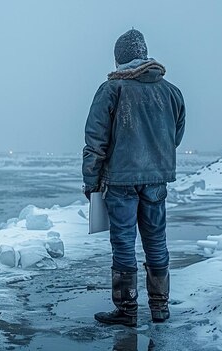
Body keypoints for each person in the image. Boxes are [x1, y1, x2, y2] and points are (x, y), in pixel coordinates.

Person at [82, 28, 185, 327]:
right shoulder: (171, 91)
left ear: (120, 59)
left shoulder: (112, 90)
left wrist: (91, 181)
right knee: (156, 240)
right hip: (156, 181)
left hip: (121, 181)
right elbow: (174, 135)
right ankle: (160, 308)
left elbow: (95, 140)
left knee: (124, 243)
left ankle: (127, 310)